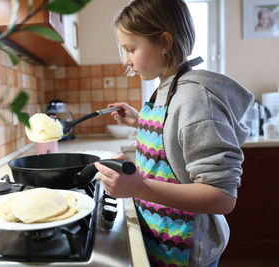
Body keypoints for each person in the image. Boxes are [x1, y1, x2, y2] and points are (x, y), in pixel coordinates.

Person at [94, 0, 254, 266]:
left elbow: (222, 197)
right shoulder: (167, 88)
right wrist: (139, 120)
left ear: (165, 42)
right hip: (161, 238)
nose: (126, 60)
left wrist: (138, 187)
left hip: (187, 249)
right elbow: (175, 137)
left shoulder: (195, 97)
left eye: (131, 49)